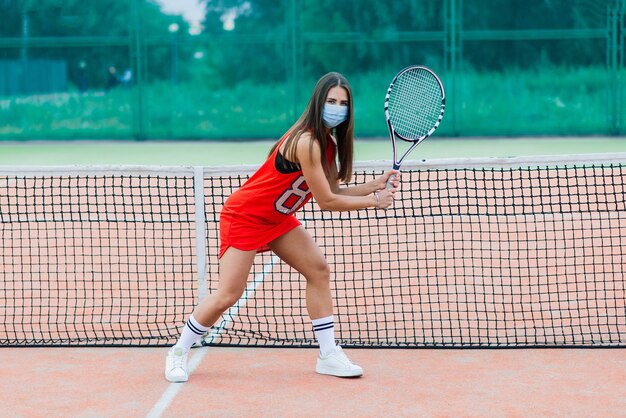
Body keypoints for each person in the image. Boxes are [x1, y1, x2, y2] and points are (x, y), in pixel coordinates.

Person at [165, 72, 400, 382]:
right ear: (318, 103)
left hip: (277, 219)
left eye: (343, 103)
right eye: (331, 101)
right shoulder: (307, 142)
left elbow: (333, 190)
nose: (337, 108)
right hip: (245, 217)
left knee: (318, 270)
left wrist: (374, 186)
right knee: (228, 294)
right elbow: (326, 202)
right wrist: (374, 202)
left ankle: (328, 355)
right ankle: (178, 352)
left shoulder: (328, 144)